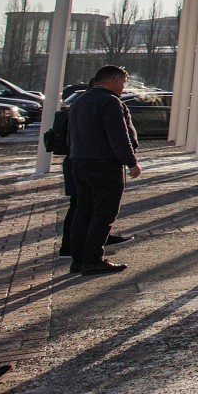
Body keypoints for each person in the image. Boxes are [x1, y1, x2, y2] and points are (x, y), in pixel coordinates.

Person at [66, 65, 138, 275]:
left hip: (79, 163)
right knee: (104, 213)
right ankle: (93, 260)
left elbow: (71, 136)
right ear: (115, 80)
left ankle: (78, 260)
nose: (124, 87)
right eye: (123, 83)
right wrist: (131, 162)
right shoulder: (110, 101)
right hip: (104, 165)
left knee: (83, 212)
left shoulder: (79, 100)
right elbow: (119, 136)